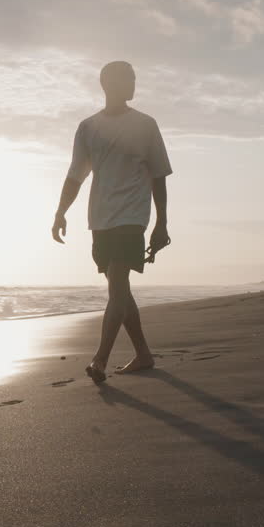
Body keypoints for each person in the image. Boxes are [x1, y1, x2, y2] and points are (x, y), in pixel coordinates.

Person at [52, 61, 172, 384]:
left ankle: (99, 360)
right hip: (101, 220)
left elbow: (159, 176)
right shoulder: (89, 128)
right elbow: (75, 175)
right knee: (119, 289)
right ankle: (143, 353)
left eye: (134, 77)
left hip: (132, 218)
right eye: (129, 78)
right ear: (109, 84)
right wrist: (60, 212)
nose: (134, 83)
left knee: (117, 285)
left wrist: (161, 223)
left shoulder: (146, 125)